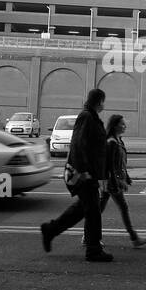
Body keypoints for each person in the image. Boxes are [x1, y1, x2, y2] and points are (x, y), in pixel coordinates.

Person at [40, 88, 112, 262]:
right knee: (93, 211)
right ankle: (93, 250)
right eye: (103, 101)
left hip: (90, 173)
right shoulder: (86, 117)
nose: (104, 104)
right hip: (84, 174)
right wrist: (84, 170)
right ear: (99, 101)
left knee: (82, 209)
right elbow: (78, 144)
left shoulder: (92, 117)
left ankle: (51, 230)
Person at [85, 114, 146, 249]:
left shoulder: (119, 140)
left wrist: (126, 177)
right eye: (122, 124)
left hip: (114, 181)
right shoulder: (112, 143)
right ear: (115, 126)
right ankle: (134, 238)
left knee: (99, 208)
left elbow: (120, 164)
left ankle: (87, 236)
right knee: (122, 207)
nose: (124, 126)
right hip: (112, 182)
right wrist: (118, 182)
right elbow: (110, 167)